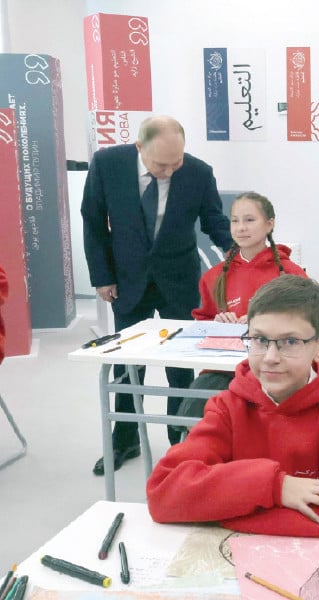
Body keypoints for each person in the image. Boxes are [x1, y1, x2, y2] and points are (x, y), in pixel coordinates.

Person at [146, 275, 319, 537]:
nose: (270, 357)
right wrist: (275, 487)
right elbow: (164, 492)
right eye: (259, 340)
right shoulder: (227, 407)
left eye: (290, 342)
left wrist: (226, 511)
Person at [81, 115, 232, 475]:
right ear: (139, 148)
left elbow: (213, 220)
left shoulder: (197, 172)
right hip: (127, 278)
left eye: (176, 162)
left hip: (178, 279)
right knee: (127, 362)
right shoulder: (108, 164)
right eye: (161, 164)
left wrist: (238, 250)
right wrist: (102, 276)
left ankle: (180, 437)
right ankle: (126, 437)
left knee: (181, 363)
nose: (169, 171)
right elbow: (93, 220)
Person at [176, 191, 306, 423]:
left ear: (269, 224)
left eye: (249, 220)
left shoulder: (291, 274)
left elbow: (308, 326)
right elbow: (202, 320)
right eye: (235, 221)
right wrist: (216, 323)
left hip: (276, 368)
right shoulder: (214, 276)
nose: (241, 228)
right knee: (195, 408)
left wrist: (265, 325)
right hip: (224, 369)